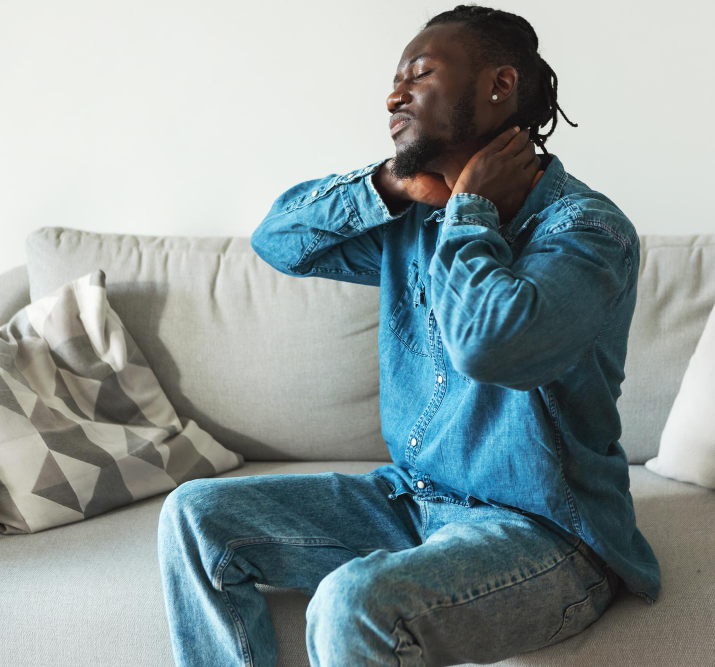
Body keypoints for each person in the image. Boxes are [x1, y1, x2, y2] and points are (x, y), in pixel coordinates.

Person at [157, 4, 661, 665]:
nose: (394, 94)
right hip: (411, 502)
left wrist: (470, 211)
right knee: (194, 515)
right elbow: (276, 241)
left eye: (419, 73)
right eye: (395, 79)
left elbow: (490, 344)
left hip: (544, 537)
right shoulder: (413, 218)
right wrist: (388, 184)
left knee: (352, 600)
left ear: (498, 87)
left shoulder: (587, 232)